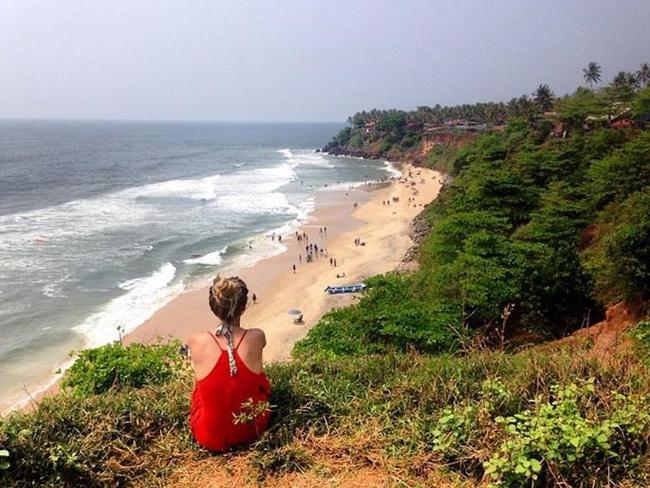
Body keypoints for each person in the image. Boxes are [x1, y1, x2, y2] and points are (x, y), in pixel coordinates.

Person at [186, 276, 271, 452]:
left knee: (199, 389)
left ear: (213, 308)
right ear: (244, 306)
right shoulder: (256, 337)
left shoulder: (195, 341)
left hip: (208, 437)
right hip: (251, 430)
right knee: (261, 383)